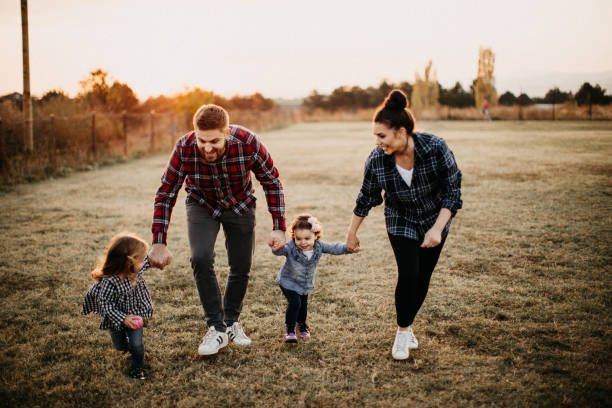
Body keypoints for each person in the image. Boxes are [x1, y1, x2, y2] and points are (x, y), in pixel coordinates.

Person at [148, 104, 286, 356]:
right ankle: (216, 327)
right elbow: (166, 193)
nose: (207, 147)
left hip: (240, 204)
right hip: (202, 203)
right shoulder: (184, 147)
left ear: (227, 133)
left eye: (214, 140)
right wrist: (159, 241)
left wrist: (279, 226)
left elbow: (272, 182)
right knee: (200, 258)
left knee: (241, 265)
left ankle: (231, 321)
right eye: (202, 140)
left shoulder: (248, 142)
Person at [346, 89, 462, 360]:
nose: (378, 142)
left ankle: (408, 325)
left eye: (381, 135)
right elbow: (367, 197)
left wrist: (437, 229)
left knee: (423, 278)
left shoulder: (435, 147)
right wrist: (352, 232)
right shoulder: (377, 160)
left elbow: (452, 192)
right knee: (409, 274)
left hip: (436, 218)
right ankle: (402, 332)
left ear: (401, 132)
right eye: (375, 136)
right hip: (400, 219)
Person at [82, 233, 153, 379]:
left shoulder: (135, 269)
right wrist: (123, 318)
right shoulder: (109, 282)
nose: (143, 262)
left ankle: (136, 369)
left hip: (135, 314)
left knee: (137, 346)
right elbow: (105, 304)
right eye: (141, 258)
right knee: (120, 346)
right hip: (115, 318)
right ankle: (126, 346)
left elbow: (150, 261)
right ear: (128, 262)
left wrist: (160, 258)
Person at [272, 214, 352, 343]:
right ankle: (290, 329)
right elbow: (280, 251)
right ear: (293, 237)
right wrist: (276, 247)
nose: (303, 242)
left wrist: (348, 248)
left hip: (305, 284)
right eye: (298, 238)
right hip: (288, 282)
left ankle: (301, 325)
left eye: (307, 238)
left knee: (303, 305)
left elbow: (335, 248)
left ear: (316, 235)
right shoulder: (291, 247)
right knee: (295, 303)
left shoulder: (319, 246)